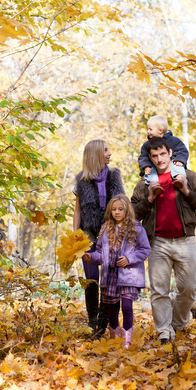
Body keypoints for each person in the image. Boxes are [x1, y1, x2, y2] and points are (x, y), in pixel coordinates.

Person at [131, 137, 196, 344]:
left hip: (185, 240)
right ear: (150, 158)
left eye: (162, 154)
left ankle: (177, 323)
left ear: (170, 153)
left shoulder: (189, 176)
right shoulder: (145, 183)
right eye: (154, 156)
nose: (159, 160)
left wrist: (186, 190)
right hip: (157, 242)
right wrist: (149, 198)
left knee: (190, 287)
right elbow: (131, 213)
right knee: (159, 290)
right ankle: (164, 332)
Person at [84, 195, 151, 349]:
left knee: (127, 306)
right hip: (110, 276)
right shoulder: (105, 229)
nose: (117, 212)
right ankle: (115, 338)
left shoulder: (136, 228)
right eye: (114, 209)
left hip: (129, 275)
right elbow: (101, 254)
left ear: (127, 210)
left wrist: (129, 258)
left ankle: (127, 341)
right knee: (112, 308)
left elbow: (145, 249)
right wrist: (91, 257)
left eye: (120, 209)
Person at [73, 140, 125, 337]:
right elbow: (77, 210)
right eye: (105, 150)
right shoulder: (81, 180)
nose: (109, 153)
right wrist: (76, 236)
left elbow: (122, 205)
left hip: (110, 232)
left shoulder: (114, 176)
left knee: (110, 278)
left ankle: (106, 322)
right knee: (92, 279)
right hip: (88, 233)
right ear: (95, 154)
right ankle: (92, 321)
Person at [138, 115, 189, 195]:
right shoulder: (147, 145)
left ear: (160, 130)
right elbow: (143, 157)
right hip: (154, 167)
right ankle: (154, 187)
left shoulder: (173, 140)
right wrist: (146, 166)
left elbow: (182, 150)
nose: (148, 132)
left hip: (173, 163)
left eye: (150, 129)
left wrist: (179, 160)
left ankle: (179, 180)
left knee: (177, 168)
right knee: (150, 173)